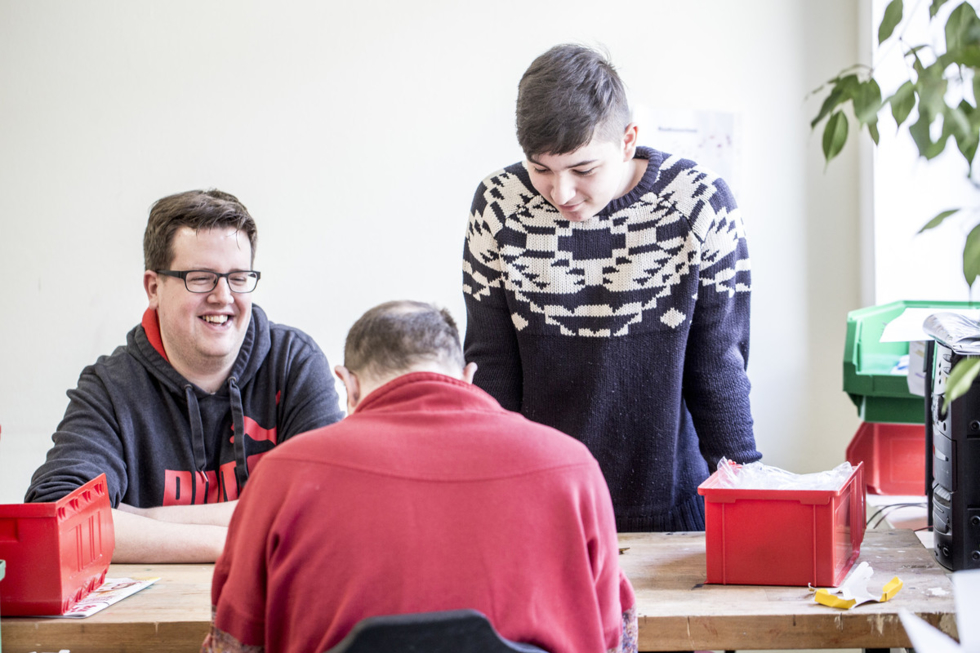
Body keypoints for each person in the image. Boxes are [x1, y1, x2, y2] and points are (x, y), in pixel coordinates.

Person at [204, 300, 637, 653]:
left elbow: (235, 642)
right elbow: (615, 636)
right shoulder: (572, 467)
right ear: (469, 377)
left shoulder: (284, 473)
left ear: (347, 385)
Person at [462, 44, 762, 533]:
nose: (560, 193)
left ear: (628, 141)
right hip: (541, 512)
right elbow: (493, 371)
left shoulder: (699, 204)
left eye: (583, 170)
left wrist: (747, 494)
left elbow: (720, 369)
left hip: (671, 507)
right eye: (541, 169)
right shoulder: (499, 205)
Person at [26, 189, 344, 562]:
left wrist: (145, 519)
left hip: (271, 613)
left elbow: (330, 508)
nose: (223, 296)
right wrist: (229, 543)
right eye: (201, 278)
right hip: (150, 618)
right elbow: (55, 523)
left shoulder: (292, 363)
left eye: (238, 278)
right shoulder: (111, 389)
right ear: (154, 288)